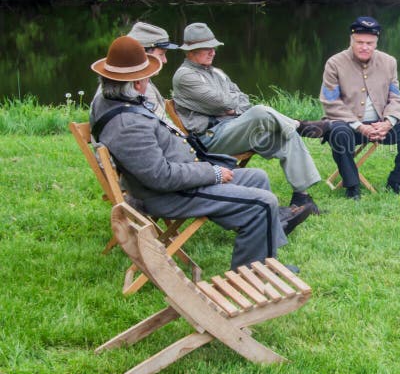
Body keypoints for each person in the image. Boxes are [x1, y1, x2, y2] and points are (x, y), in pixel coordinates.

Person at [89, 36, 313, 271]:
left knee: (257, 177)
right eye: (145, 77)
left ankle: (266, 257)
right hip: (169, 194)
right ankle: (249, 275)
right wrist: (212, 173)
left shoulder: (112, 100)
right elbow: (160, 177)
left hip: (180, 182)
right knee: (263, 203)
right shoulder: (127, 124)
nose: (147, 81)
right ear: (136, 84)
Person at [171, 23, 326, 212]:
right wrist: (228, 106)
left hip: (234, 129)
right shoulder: (185, 76)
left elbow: (243, 99)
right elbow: (223, 103)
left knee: (285, 134)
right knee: (259, 112)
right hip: (210, 139)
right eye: (207, 48)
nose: (213, 52)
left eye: (214, 47)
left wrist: (229, 107)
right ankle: (300, 126)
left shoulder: (217, 72)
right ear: (190, 51)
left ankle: (301, 198)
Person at [320, 16, 400, 200]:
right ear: (351, 40)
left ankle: (398, 182)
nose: (364, 47)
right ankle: (352, 186)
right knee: (338, 132)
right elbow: (330, 102)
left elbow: (395, 97)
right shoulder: (334, 63)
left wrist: (388, 122)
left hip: (379, 126)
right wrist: (360, 126)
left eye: (369, 43)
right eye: (359, 42)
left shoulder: (389, 62)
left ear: (376, 42)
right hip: (347, 126)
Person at [126, 21, 178, 123]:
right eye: (161, 54)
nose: (165, 60)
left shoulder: (128, 79)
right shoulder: (134, 86)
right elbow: (163, 126)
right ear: (143, 53)